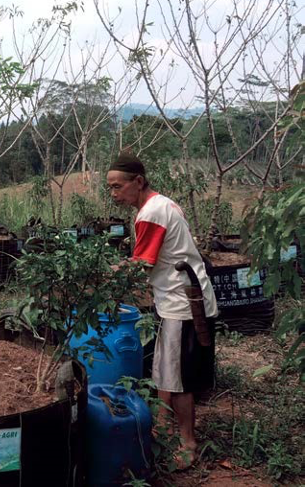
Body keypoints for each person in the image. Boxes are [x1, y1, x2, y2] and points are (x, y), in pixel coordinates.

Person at [107, 153, 218, 469]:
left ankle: (187, 443)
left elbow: (142, 265)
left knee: (178, 377)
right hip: (178, 300)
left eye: (118, 187)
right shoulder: (163, 204)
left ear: (138, 182)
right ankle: (162, 425)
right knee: (165, 369)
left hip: (182, 306)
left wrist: (104, 276)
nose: (114, 194)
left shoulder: (151, 213)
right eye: (110, 188)